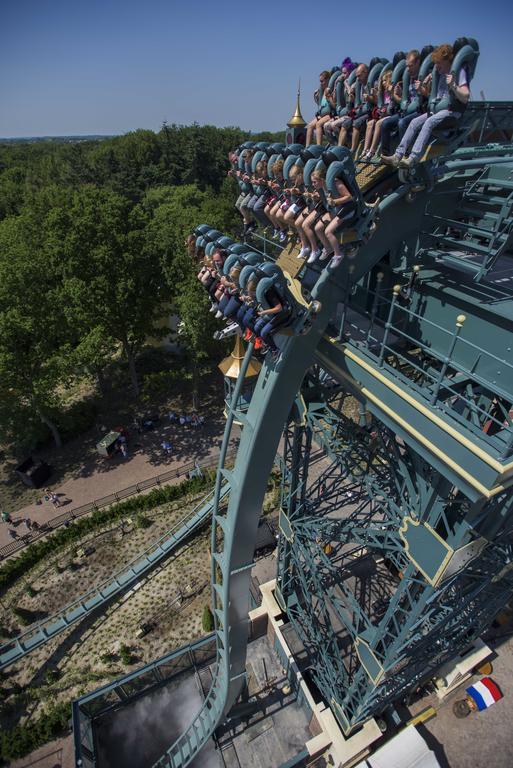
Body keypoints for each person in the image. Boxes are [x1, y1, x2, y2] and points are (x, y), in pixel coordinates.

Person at [381, 44, 469, 169]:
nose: (436, 66)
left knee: (429, 122)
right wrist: (424, 84)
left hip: (451, 111)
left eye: (439, 63)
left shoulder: (459, 72)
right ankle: (397, 155)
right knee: (414, 122)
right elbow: (429, 95)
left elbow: (465, 97)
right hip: (437, 109)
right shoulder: (438, 73)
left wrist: (454, 85)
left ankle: (413, 158)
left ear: (447, 61)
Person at [379, 50, 422, 158]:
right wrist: (396, 95)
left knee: (402, 123)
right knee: (385, 124)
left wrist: (422, 88)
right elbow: (403, 101)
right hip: (407, 109)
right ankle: (385, 154)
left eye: (411, 66)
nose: (408, 69)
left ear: (418, 63)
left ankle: (405, 155)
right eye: (407, 66)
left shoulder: (423, 76)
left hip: (419, 110)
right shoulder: (407, 79)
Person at [324, 172, 358, 267]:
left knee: (328, 232)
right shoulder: (323, 186)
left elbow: (349, 197)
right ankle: (330, 247)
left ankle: (338, 254)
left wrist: (334, 201)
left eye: (314, 182)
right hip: (338, 209)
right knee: (320, 223)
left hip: (347, 209)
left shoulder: (335, 182)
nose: (313, 184)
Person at [361, 70, 394, 161]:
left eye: (384, 80)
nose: (383, 83)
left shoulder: (393, 90)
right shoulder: (383, 93)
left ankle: (372, 150)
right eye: (382, 81)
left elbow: (393, 106)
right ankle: (365, 149)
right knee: (370, 123)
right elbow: (379, 103)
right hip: (384, 115)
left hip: (392, 114)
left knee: (379, 123)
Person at [305, 71, 334, 147]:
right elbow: (320, 105)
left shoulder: (331, 90)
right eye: (320, 81)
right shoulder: (322, 91)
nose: (321, 83)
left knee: (318, 124)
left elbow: (334, 105)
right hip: (322, 115)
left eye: (322, 81)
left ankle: (319, 147)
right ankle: (307, 147)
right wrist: (316, 98)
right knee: (310, 126)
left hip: (330, 114)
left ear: (328, 80)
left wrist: (329, 97)